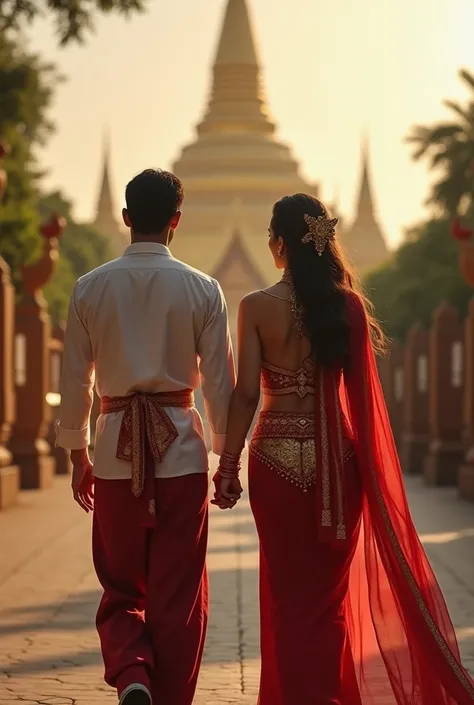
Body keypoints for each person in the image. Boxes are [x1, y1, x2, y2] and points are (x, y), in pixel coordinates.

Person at [212, 193, 474, 705]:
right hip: (341, 466)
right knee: (326, 603)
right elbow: (363, 401)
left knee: (288, 599)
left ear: (281, 244)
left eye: (271, 239)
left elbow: (245, 394)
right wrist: (373, 477)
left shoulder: (255, 307)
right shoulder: (346, 306)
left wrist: (226, 466)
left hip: (275, 466)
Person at [56, 169, 235, 705]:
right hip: (181, 451)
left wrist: (76, 454)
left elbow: (73, 383)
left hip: (113, 453)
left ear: (127, 218)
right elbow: (220, 386)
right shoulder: (204, 289)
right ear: (176, 222)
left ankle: (133, 673)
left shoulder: (90, 287)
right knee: (177, 594)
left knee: (119, 585)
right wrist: (228, 461)